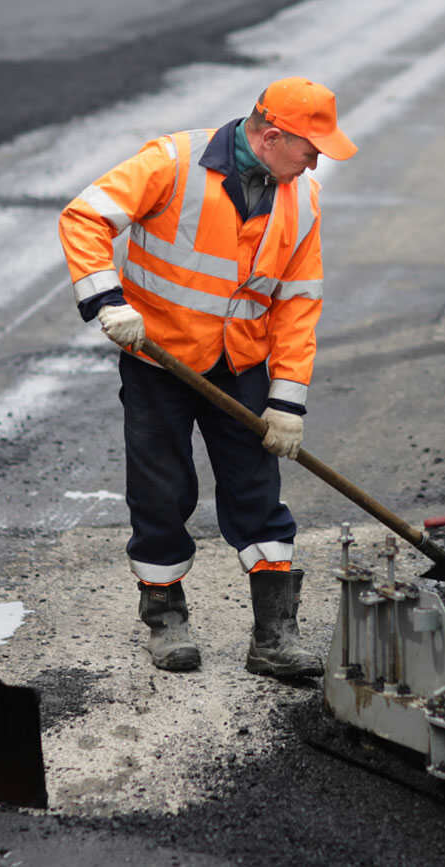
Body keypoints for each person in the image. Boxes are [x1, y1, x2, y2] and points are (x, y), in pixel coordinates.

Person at [59, 77, 356, 678]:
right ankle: (165, 618)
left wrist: (287, 403)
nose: (316, 160)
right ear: (271, 136)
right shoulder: (171, 163)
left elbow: (298, 306)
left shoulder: (302, 198)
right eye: (310, 147)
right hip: (158, 362)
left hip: (241, 365)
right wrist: (107, 301)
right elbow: (84, 217)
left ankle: (274, 636)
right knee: (161, 491)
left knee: (257, 492)